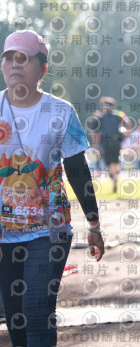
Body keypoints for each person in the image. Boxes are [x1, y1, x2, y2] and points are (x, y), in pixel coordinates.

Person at [0, 30, 105, 346]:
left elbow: (77, 171)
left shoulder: (61, 112)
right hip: (3, 233)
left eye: (23, 58)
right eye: (8, 58)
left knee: (36, 309)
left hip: (48, 230)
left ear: (42, 68)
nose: (14, 64)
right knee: (15, 316)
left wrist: (94, 224)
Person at [95, 96, 123, 193]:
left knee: (108, 163)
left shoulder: (100, 118)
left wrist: (96, 145)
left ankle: (113, 177)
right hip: (117, 142)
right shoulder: (118, 115)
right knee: (116, 162)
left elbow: (97, 133)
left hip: (105, 143)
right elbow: (127, 125)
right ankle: (116, 176)